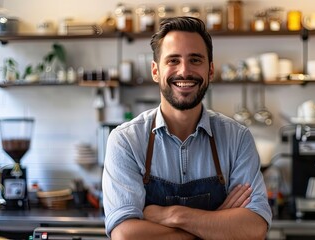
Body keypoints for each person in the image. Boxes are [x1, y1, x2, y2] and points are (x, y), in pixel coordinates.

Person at [102, 16, 272, 239]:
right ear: (155, 71)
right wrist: (217, 221)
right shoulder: (126, 140)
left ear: (210, 70)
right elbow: (125, 235)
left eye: (195, 60)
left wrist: (174, 215)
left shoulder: (237, 138)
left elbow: (253, 228)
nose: (184, 71)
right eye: (173, 60)